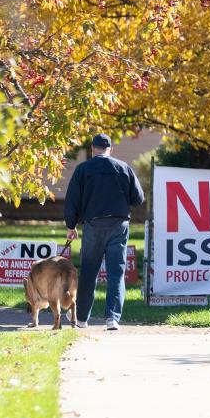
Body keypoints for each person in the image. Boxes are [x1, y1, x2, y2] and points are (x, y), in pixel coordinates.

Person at [64, 134, 145, 330]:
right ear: (111, 149)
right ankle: (112, 319)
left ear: (92, 149)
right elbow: (139, 198)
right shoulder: (123, 168)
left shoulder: (83, 169)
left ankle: (82, 319)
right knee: (116, 272)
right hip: (119, 225)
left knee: (89, 272)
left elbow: (72, 200)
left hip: (93, 225)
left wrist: (71, 225)